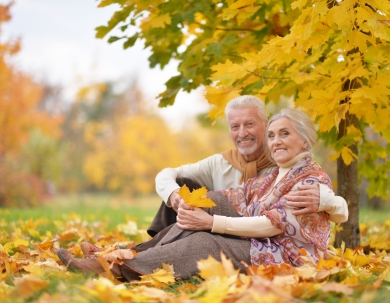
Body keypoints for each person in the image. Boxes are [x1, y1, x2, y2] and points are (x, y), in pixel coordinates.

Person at [57, 108, 348, 281]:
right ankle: (124, 254)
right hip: (263, 241)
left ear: (304, 140)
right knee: (210, 200)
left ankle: (118, 268)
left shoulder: (310, 179)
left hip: (285, 256)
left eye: (284, 134)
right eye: (271, 135)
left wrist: (210, 223)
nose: (275, 141)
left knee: (204, 240)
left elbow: (271, 225)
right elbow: (236, 195)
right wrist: (196, 206)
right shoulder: (274, 174)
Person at [149, 95, 347, 236]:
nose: (242, 133)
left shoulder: (285, 165)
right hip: (211, 225)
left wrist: (328, 200)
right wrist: (173, 193)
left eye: (249, 124)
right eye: (235, 127)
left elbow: (326, 197)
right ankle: (158, 243)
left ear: (266, 124)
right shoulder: (220, 162)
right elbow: (167, 173)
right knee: (183, 183)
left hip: (249, 232)